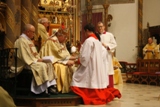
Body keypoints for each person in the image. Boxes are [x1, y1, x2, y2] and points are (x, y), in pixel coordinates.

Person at [71, 23, 121, 105]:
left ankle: (87, 95)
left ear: (87, 30)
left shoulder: (88, 41)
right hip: (96, 65)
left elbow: (85, 57)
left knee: (76, 77)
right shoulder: (97, 41)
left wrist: (77, 61)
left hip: (89, 66)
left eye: (84, 32)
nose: (84, 34)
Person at [11, 24, 57, 95]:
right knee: (42, 66)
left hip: (32, 61)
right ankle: (41, 90)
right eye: (33, 32)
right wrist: (36, 60)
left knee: (49, 64)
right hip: (25, 63)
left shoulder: (28, 41)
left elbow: (34, 53)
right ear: (28, 32)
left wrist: (39, 59)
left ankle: (49, 87)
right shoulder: (21, 41)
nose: (34, 34)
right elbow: (24, 56)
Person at [39, 27, 78, 93]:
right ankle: (58, 88)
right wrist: (65, 62)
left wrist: (75, 58)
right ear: (59, 36)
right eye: (65, 37)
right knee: (61, 67)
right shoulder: (52, 41)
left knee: (73, 65)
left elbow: (65, 54)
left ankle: (71, 87)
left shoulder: (61, 42)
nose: (66, 39)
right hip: (51, 61)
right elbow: (55, 56)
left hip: (58, 59)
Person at [97, 21, 117, 88]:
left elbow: (114, 44)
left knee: (108, 70)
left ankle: (109, 88)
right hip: (99, 56)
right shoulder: (96, 36)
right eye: (99, 27)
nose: (100, 28)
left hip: (107, 56)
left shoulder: (109, 35)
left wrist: (106, 46)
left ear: (104, 27)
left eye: (101, 26)